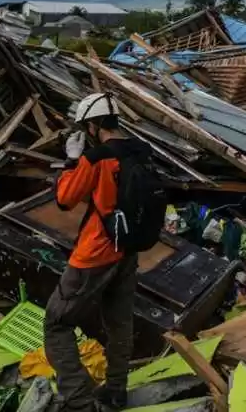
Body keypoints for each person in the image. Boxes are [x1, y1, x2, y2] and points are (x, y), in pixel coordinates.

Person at [45, 92, 155, 412]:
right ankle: (116, 390)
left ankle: (80, 402)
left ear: (93, 125)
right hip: (127, 250)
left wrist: (71, 160)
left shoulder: (98, 158)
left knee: (56, 322)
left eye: (86, 127)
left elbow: (65, 198)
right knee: (119, 322)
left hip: (95, 254)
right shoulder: (142, 150)